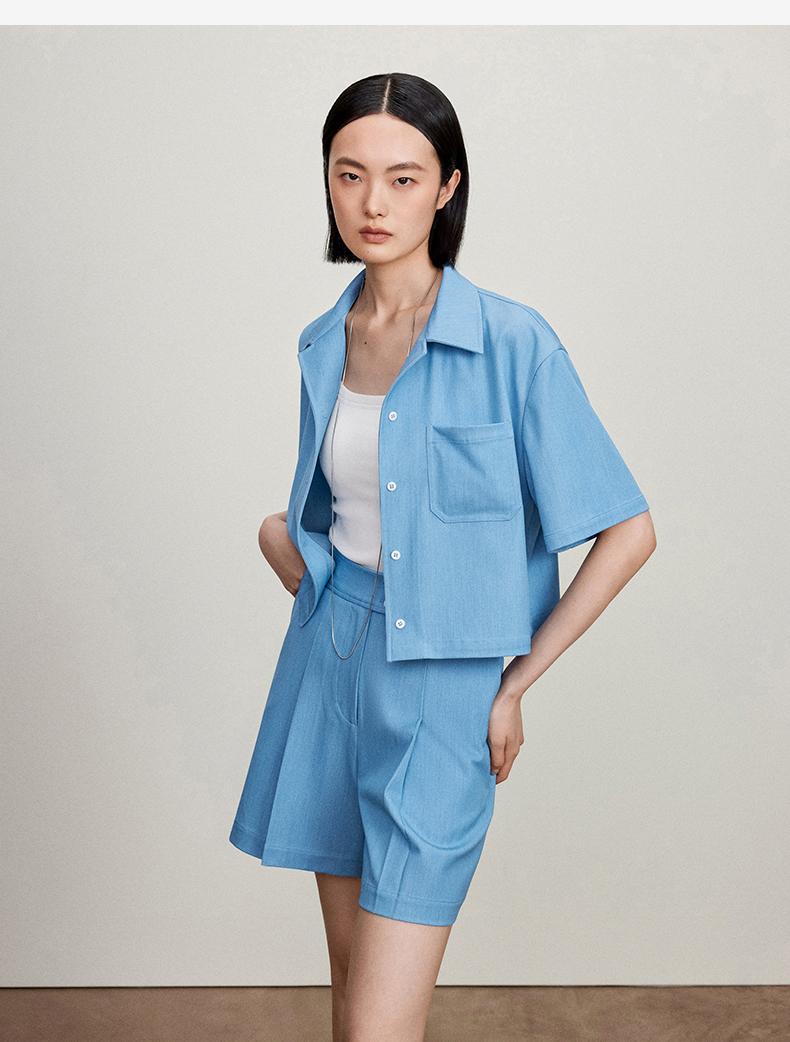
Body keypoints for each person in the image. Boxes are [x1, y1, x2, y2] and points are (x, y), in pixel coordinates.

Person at [229, 71, 656, 1042]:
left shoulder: (511, 344)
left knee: (380, 1024)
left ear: (448, 187)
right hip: (328, 668)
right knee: (352, 1002)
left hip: (444, 692)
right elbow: (338, 513)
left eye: (403, 177)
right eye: (349, 175)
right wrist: (280, 543)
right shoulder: (324, 342)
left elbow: (628, 531)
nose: (372, 203)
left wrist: (513, 684)